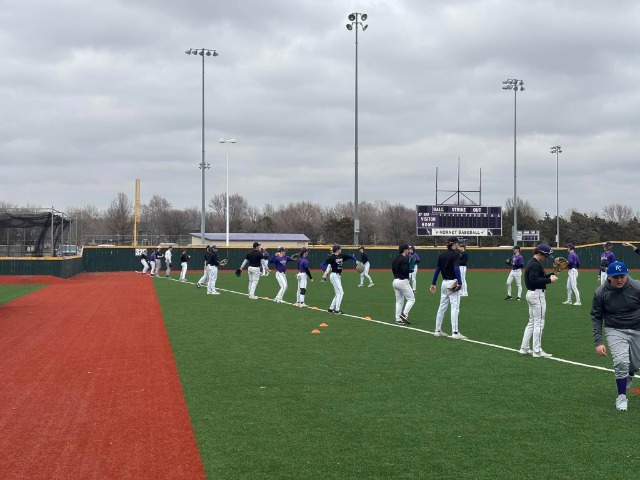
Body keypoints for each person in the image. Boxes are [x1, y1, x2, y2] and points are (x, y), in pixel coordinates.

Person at [591, 261, 640, 411]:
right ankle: (621, 397)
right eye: (615, 277)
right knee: (620, 362)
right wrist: (598, 341)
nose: (619, 280)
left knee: (635, 364)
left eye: (622, 276)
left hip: (637, 328)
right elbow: (596, 317)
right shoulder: (601, 292)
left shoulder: (636, 287)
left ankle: (630, 371)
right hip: (615, 329)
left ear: (626, 275)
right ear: (609, 277)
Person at [519, 244, 558, 358]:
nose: (546, 258)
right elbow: (535, 280)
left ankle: (524, 347)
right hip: (537, 295)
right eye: (545, 256)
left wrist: (554, 274)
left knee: (532, 322)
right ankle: (537, 350)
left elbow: (541, 277)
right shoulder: (535, 264)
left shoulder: (534, 263)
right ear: (539, 253)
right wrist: (550, 281)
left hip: (532, 294)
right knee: (539, 322)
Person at [430, 236, 465, 339]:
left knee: (442, 306)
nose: (458, 244)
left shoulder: (442, 255)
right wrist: (459, 282)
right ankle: (455, 332)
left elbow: (437, 270)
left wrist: (433, 283)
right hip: (453, 282)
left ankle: (437, 330)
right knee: (455, 307)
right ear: (453, 244)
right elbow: (456, 269)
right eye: (457, 243)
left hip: (444, 283)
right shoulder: (456, 255)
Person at [324, 244, 357, 314]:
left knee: (338, 293)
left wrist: (356, 261)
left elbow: (351, 257)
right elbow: (322, 264)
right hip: (334, 275)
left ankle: (331, 308)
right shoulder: (331, 257)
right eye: (340, 248)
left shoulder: (341, 256)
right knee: (341, 292)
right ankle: (337, 310)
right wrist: (325, 272)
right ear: (337, 250)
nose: (340, 249)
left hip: (338, 276)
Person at [392, 243, 415, 325]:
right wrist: (410, 269)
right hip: (402, 281)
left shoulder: (395, 259)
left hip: (395, 281)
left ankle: (398, 318)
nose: (409, 250)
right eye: (407, 249)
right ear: (405, 250)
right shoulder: (405, 259)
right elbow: (405, 270)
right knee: (411, 299)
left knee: (399, 301)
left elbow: (393, 270)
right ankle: (404, 314)